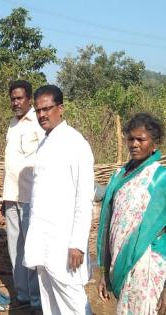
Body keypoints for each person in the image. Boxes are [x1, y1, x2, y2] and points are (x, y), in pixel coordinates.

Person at [23, 85, 94, 315]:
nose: (42, 114)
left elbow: (84, 197)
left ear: (60, 109)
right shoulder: (45, 142)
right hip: (43, 239)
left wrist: (77, 243)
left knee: (74, 304)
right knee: (49, 301)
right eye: (38, 110)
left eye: (47, 108)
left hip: (65, 243)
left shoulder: (75, 143)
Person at [97, 113, 166, 315]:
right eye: (131, 139)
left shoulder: (160, 179)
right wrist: (104, 272)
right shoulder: (118, 176)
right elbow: (107, 223)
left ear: (154, 144)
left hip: (148, 264)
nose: (134, 144)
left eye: (141, 139)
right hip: (120, 263)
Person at [2, 80, 43, 308]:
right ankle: (23, 296)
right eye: (13, 98)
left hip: (30, 197)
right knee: (14, 247)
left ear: (29, 99)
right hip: (11, 195)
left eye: (19, 98)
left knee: (31, 248)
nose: (16, 102)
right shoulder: (12, 124)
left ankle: (36, 300)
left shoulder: (38, 122)